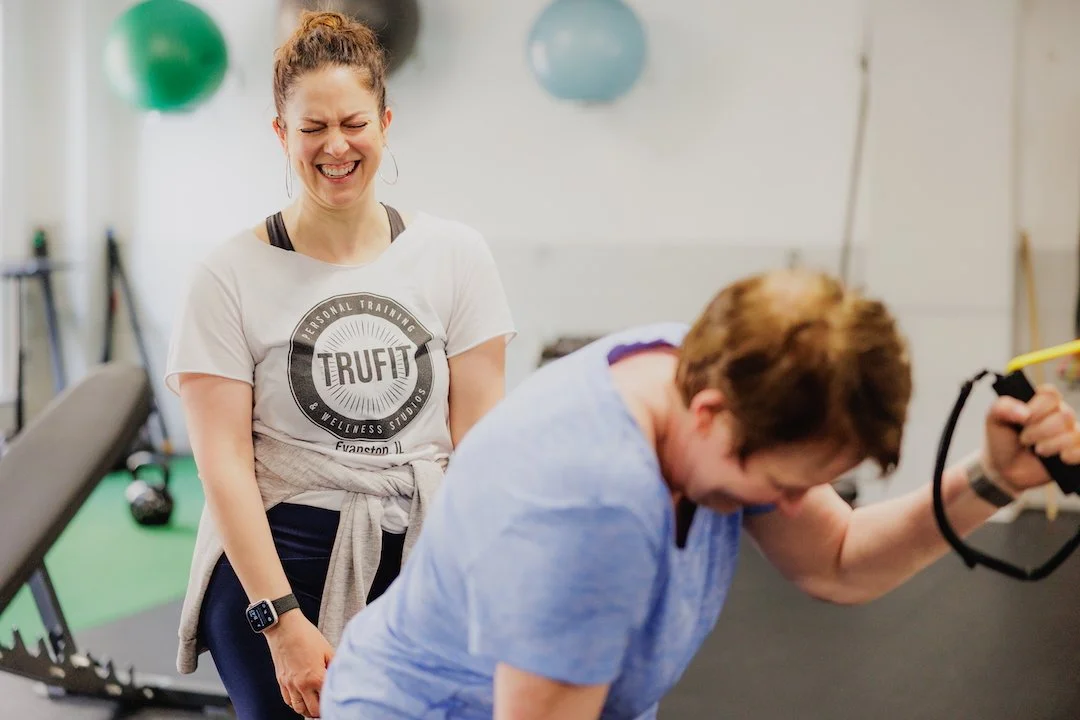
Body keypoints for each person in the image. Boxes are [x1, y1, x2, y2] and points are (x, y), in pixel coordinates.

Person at [319, 267, 1080, 719]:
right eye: (783, 486)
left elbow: (839, 560)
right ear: (712, 414)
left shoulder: (701, 366)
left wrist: (992, 480)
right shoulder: (587, 507)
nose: (792, 507)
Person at [163, 10, 515, 719]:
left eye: (353, 122)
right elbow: (224, 466)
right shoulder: (227, 275)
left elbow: (481, 442)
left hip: (422, 555)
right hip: (278, 561)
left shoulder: (456, 255)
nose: (336, 146)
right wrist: (282, 621)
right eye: (312, 127)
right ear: (280, 134)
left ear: (385, 122)